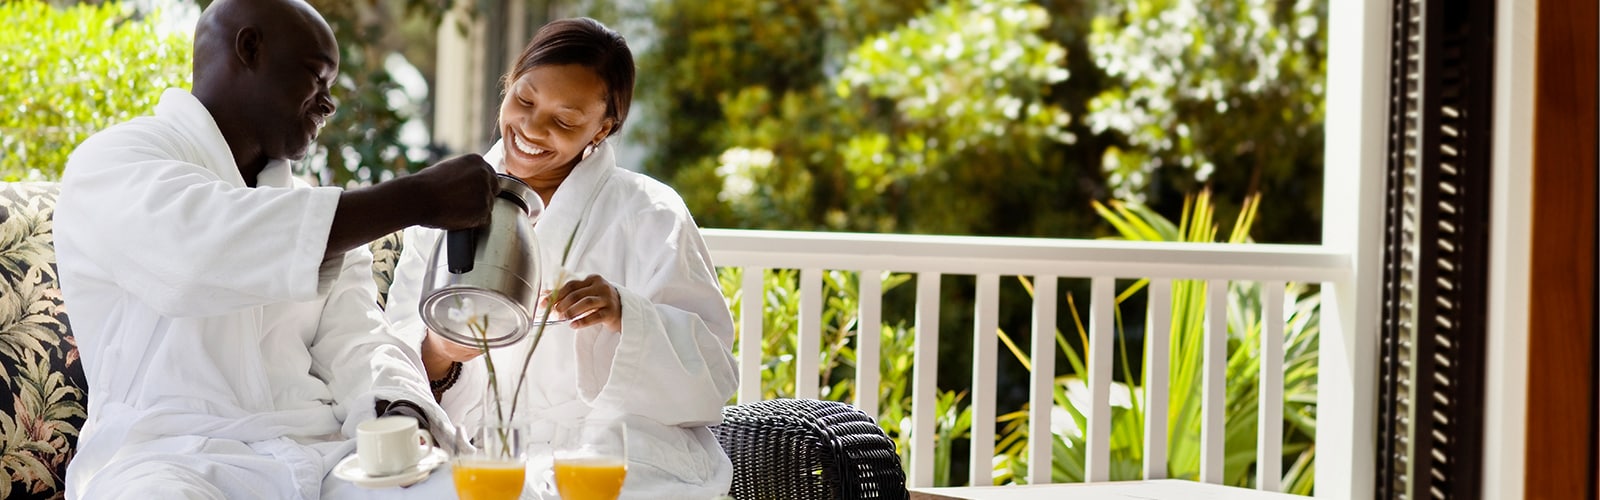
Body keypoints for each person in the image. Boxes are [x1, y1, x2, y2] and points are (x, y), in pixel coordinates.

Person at [53, 0, 497, 498]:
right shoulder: (113, 162)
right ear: (250, 49)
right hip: (168, 459)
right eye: (317, 77)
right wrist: (418, 197)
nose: (329, 105)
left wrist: (399, 406)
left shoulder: (317, 213)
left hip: (322, 453)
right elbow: (202, 255)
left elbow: (358, 341)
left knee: (459, 488)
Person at [384, 17, 738, 499]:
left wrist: (625, 315)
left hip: (621, 459)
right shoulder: (447, 203)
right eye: (525, 100)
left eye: (565, 120)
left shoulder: (651, 212)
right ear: (509, 82)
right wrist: (442, 352)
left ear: (602, 128)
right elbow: (392, 360)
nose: (531, 128)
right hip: (487, 457)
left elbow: (712, 373)